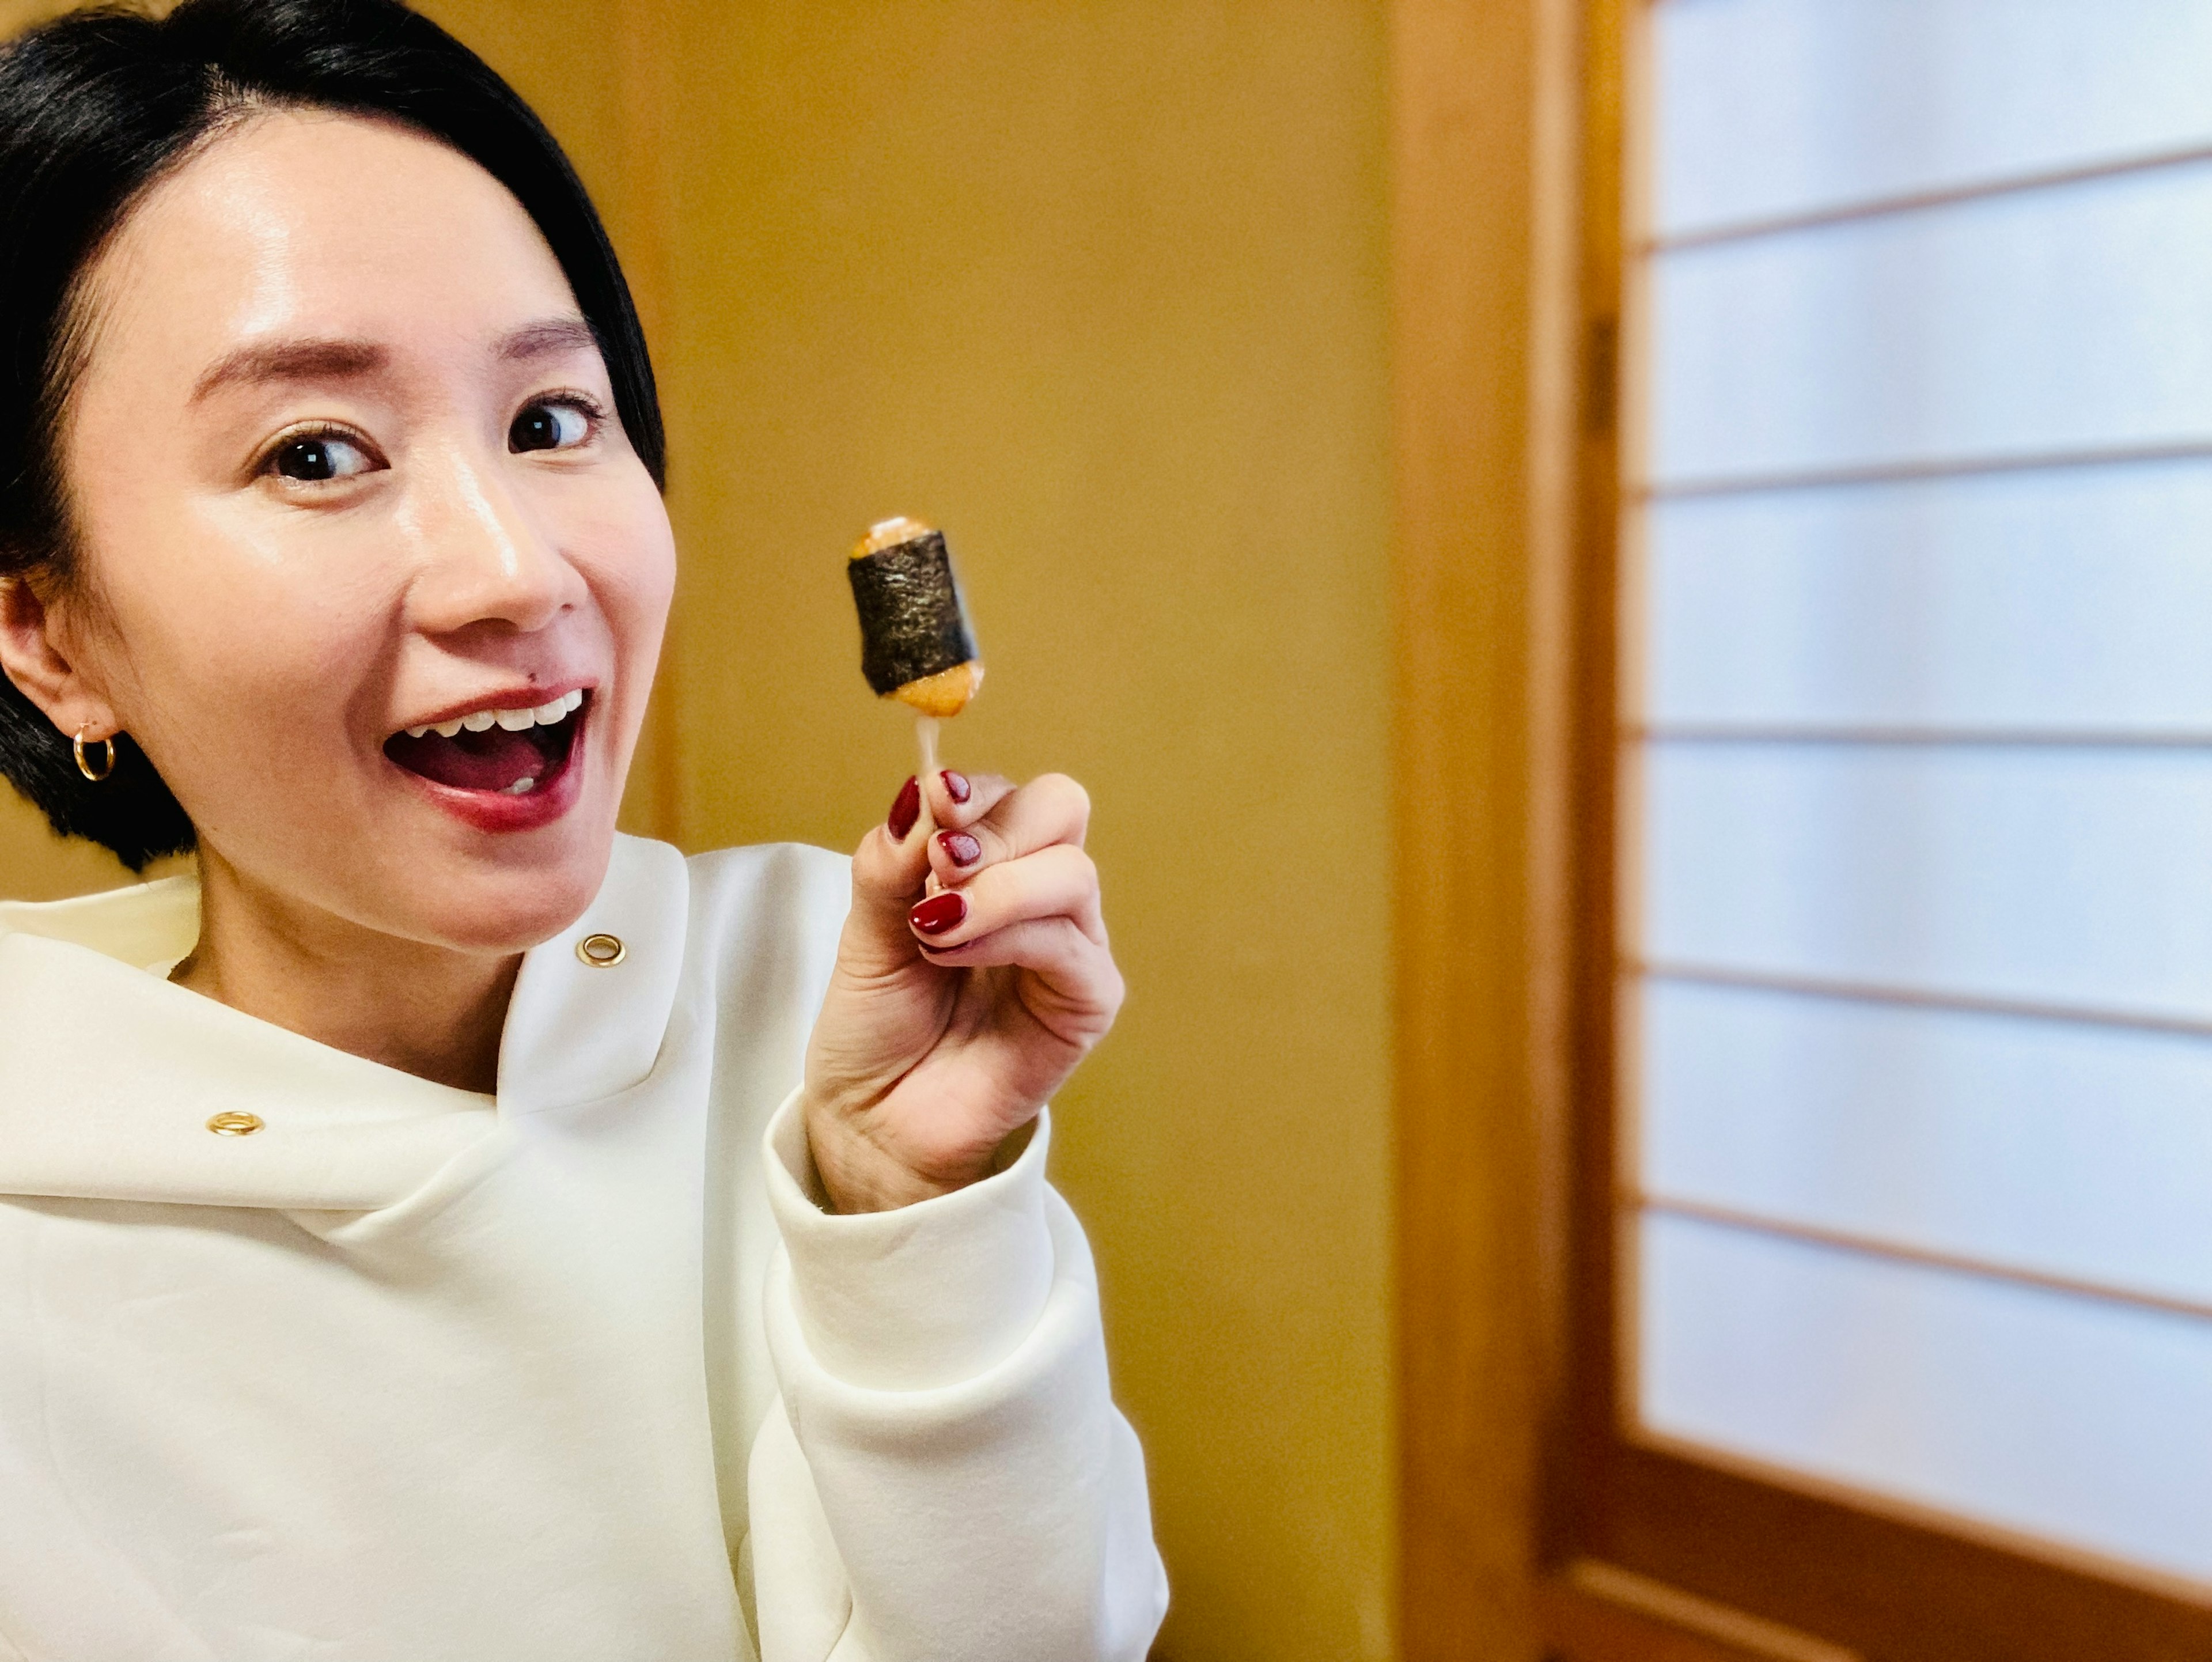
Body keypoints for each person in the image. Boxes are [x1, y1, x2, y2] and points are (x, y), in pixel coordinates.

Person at [0, 1, 1167, 1656]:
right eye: (316, 452)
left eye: (552, 421)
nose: (519, 573)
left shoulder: (820, 1002)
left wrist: (904, 1210)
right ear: (49, 631)